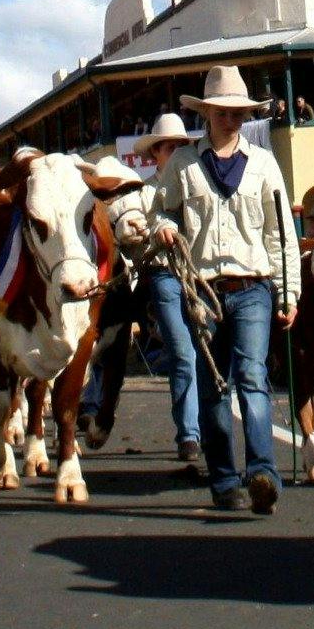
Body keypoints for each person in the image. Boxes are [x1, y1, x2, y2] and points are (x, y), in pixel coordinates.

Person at [150, 67, 296, 513]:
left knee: (252, 376)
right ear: (208, 112)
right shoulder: (183, 163)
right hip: (203, 291)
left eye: (239, 113)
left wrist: (289, 293)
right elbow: (162, 211)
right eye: (224, 112)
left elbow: (281, 232)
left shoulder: (264, 163)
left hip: (253, 286)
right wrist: (163, 229)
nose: (231, 119)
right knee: (215, 386)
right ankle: (224, 482)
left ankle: (263, 473)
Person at [103, 113, 201, 469]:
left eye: (179, 146)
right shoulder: (142, 196)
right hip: (162, 278)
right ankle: (189, 433)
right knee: (183, 351)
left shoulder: (199, 186)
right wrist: (142, 240)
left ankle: (204, 427)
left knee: (209, 354)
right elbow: (128, 245)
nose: (174, 152)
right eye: (168, 147)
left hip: (202, 278)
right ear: (155, 154)